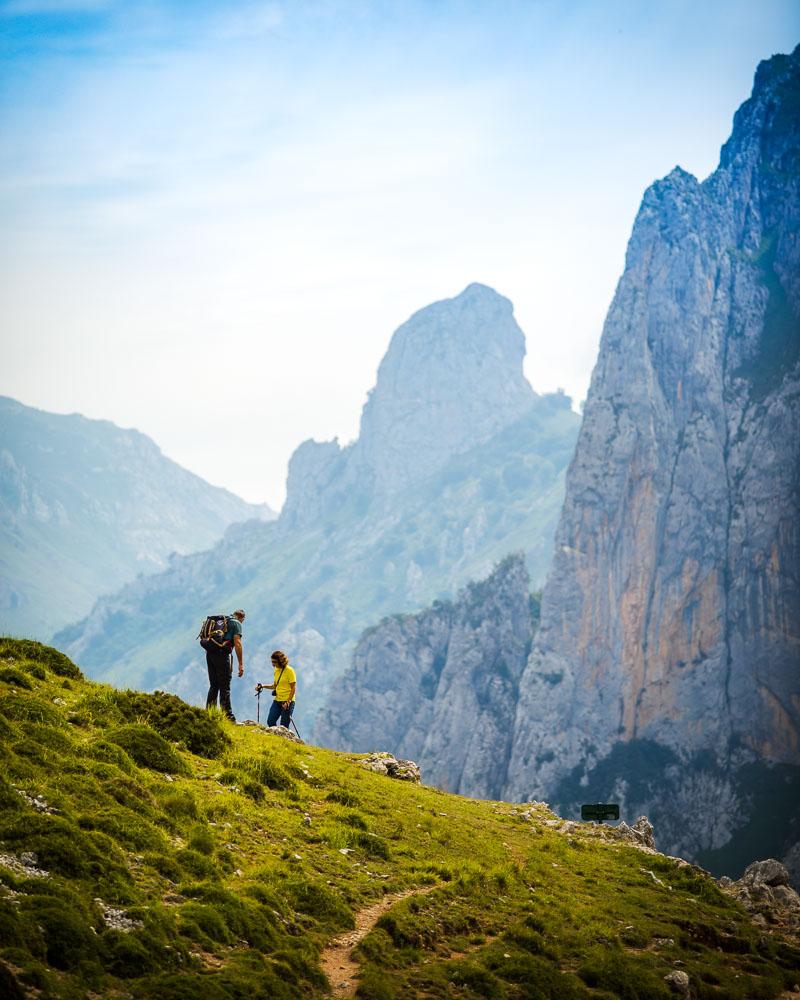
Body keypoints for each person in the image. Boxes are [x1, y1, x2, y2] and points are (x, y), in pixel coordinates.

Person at [205, 609, 245, 721]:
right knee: (225, 686)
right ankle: (228, 716)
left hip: (210, 653)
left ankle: (209, 714)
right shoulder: (236, 623)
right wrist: (241, 664)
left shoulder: (222, 621)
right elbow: (237, 643)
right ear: (242, 618)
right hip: (222, 655)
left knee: (214, 685)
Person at [255, 650, 297, 729]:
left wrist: (288, 702)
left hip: (287, 702)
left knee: (283, 726)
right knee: (270, 721)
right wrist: (262, 686)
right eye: (272, 662)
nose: (273, 664)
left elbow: (293, 688)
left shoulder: (290, 671)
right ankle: (276, 737)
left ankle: (283, 740)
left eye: (274, 662)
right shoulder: (276, 670)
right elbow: (275, 686)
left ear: (281, 661)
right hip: (277, 700)